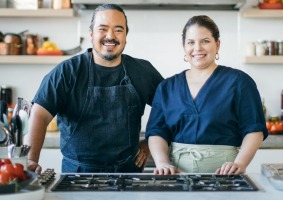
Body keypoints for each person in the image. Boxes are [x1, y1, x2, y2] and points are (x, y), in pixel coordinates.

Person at [26, 4, 163, 174]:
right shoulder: (67, 72)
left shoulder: (143, 71)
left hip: (128, 175)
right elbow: (39, 113)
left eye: (118, 30)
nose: (110, 36)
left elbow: (170, 108)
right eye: (103, 29)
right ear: (91, 34)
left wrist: (150, 140)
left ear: (126, 35)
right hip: (77, 176)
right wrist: (31, 159)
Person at [146, 15, 268, 175]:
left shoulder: (239, 82)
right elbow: (156, 132)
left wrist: (240, 164)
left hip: (225, 175)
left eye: (205, 41)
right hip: (177, 175)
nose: (197, 48)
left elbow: (254, 129)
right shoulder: (167, 87)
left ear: (217, 44)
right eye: (190, 42)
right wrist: (162, 162)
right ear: (184, 47)